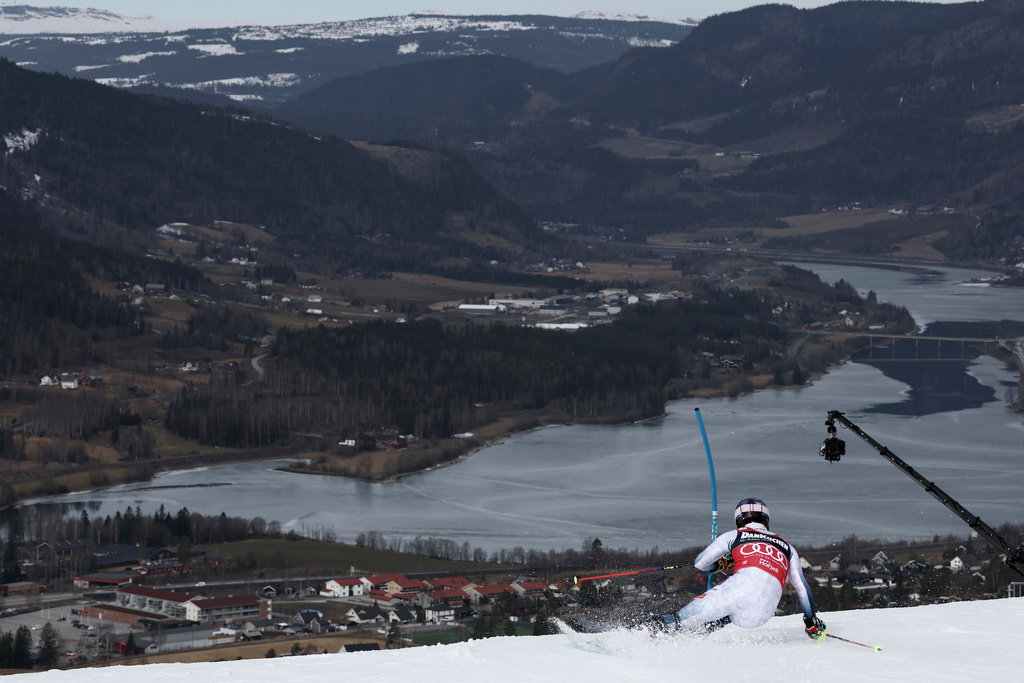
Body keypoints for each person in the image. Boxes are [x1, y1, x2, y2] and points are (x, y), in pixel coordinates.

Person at [649, 498, 827, 641]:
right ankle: (702, 631)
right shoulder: (788, 548)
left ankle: (651, 632)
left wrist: (719, 565)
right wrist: (811, 621)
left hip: (737, 594)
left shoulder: (736, 535)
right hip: (763, 614)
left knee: (681, 618)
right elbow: (803, 590)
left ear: (740, 519)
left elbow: (700, 563)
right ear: (766, 519)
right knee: (729, 611)